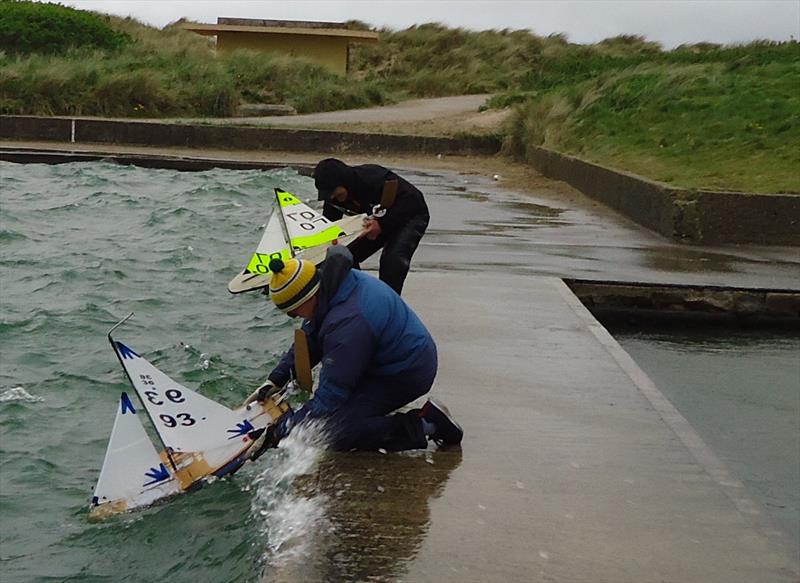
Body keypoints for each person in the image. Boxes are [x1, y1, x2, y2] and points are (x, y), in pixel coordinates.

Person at [244, 245, 462, 454]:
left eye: (293, 312)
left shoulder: (348, 323)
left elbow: (331, 397)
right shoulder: (331, 286)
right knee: (324, 420)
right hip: (384, 359)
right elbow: (310, 337)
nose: (295, 317)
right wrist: (276, 379)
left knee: (330, 433)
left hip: (406, 373)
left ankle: (426, 424)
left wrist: (283, 429)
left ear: (307, 297)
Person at [312, 158, 429, 295]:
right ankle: (357, 296)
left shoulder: (373, 178)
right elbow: (330, 227)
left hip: (411, 215)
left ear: (344, 182)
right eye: (329, 195)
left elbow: (413, 200)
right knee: (343, 256)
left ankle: (389, 304)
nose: (333, 197)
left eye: (336, 193)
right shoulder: (334, 198)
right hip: (378, 220)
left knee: (392, 261)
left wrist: (382, 224)